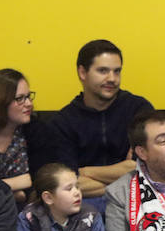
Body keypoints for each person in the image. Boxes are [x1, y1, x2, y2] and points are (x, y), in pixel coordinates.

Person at [50, 39, 155, 205]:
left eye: (117, 71)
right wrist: (123, 175)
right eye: (103, 71)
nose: (112, 78)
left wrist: (84, 172)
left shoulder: (139, 109)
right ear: (82, 73)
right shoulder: (62, 122)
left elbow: (142, 168)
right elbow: (66, 183)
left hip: (137, 201)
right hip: (82, 205)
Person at [0, 68, 55, 204]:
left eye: (28, 96)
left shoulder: (36, 131)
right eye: (20, 99)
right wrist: (15, 187)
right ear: (0, 103)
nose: (29, 104)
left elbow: (43, 181)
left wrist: (17, 191)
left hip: (25, 209)